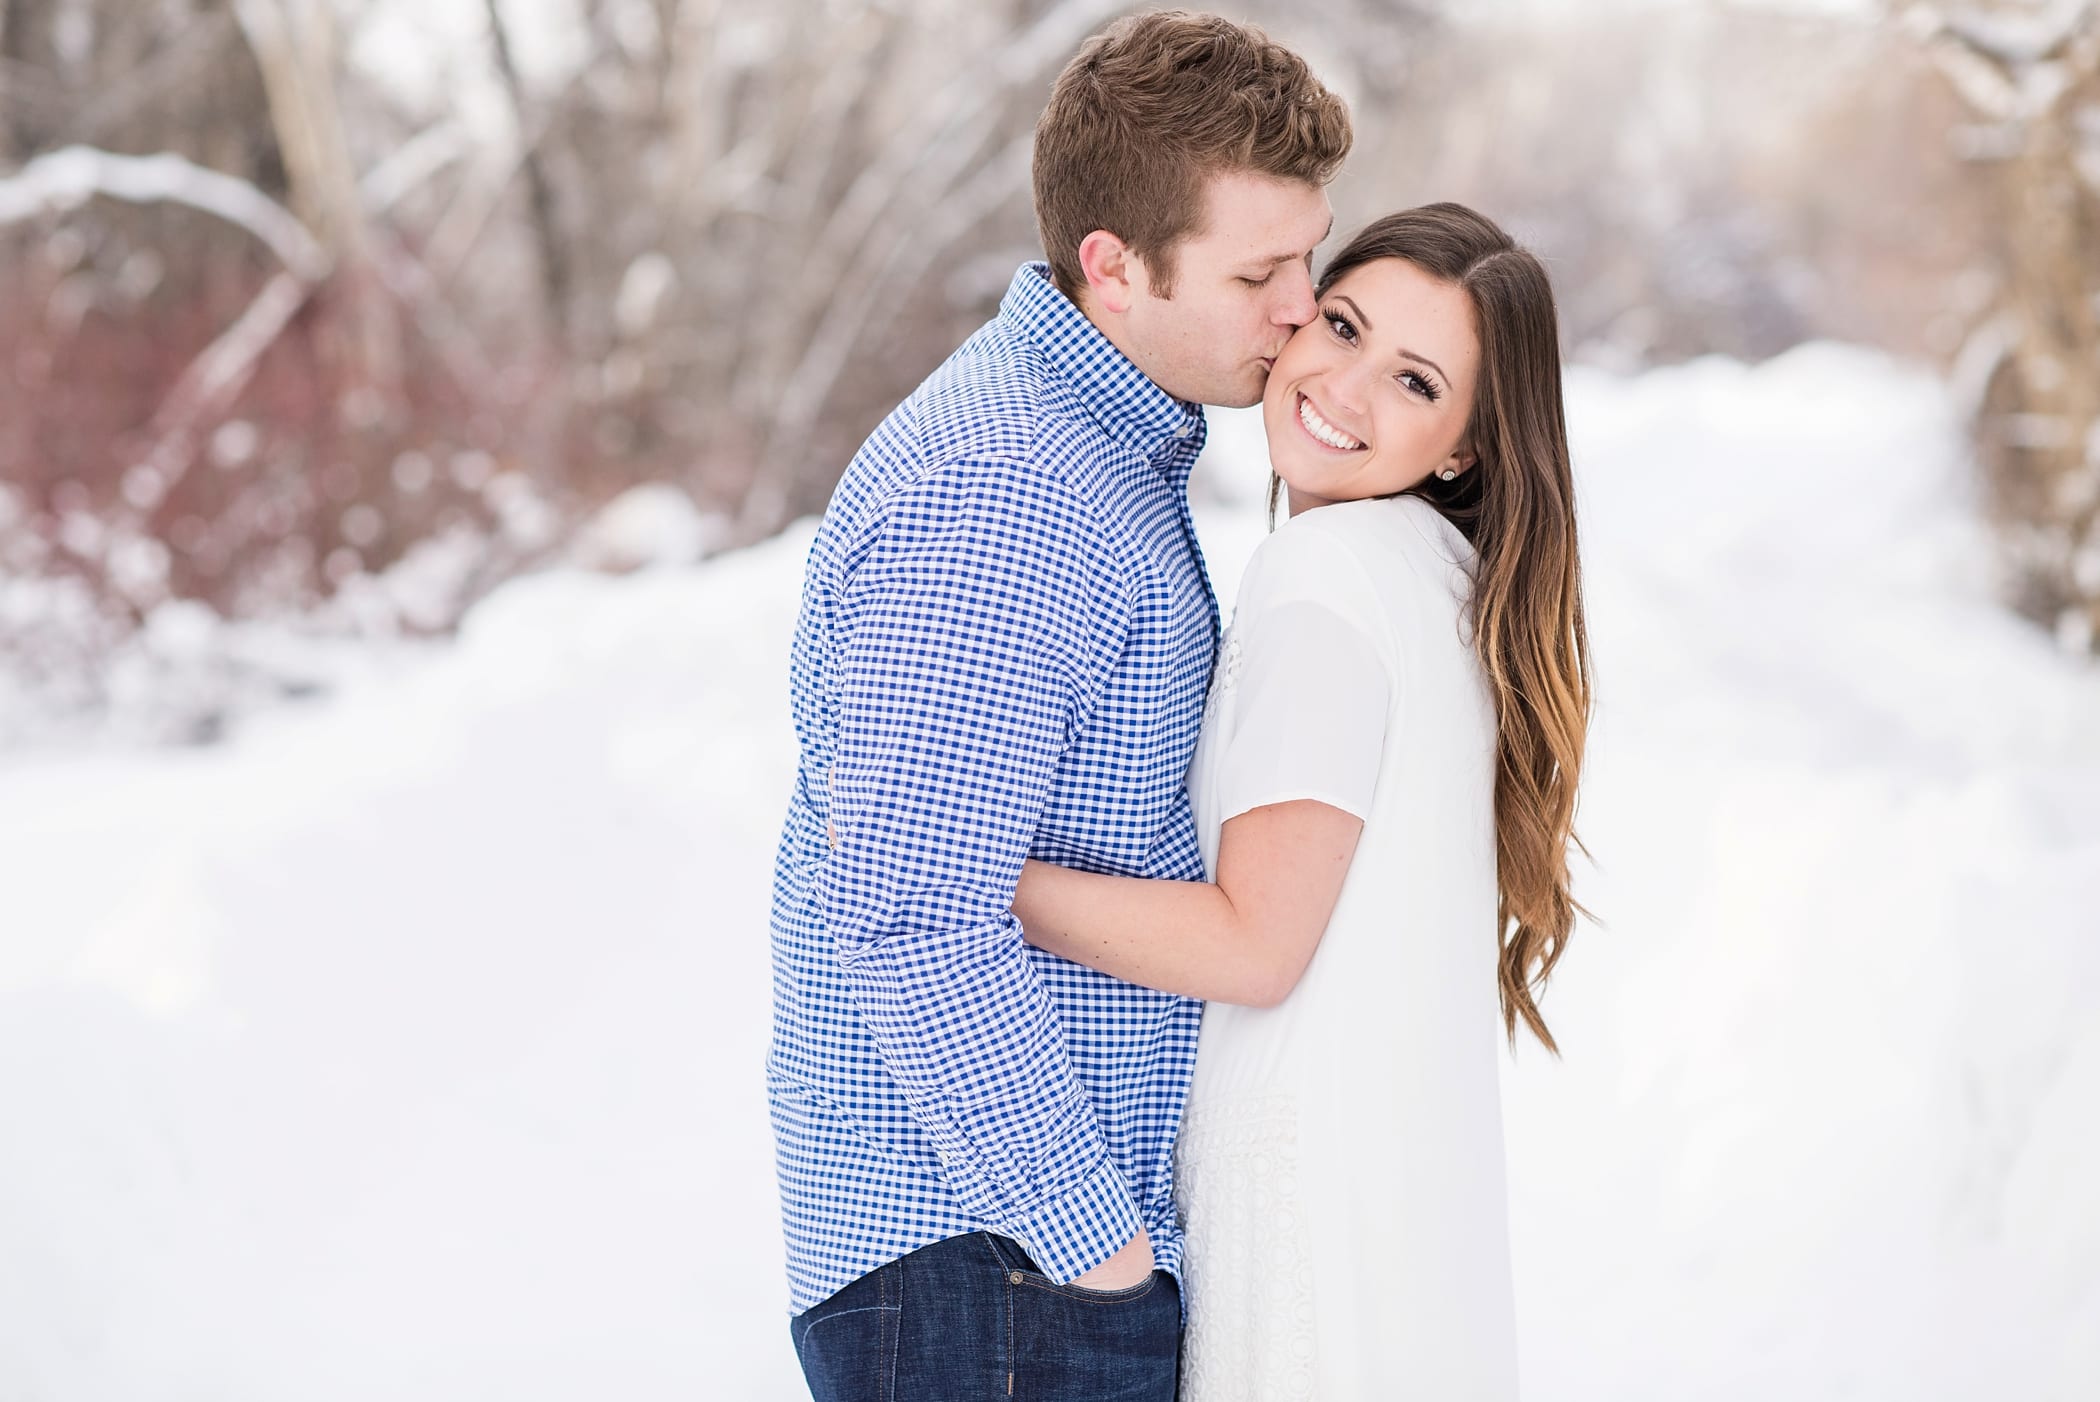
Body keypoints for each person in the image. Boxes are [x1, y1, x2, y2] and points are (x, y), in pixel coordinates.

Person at [765, 12, 1351, 1400]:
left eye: (1310, 256)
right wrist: (1098, 1252)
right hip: (994, 1275)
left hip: (1014, 1273)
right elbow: (910, 910)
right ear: (1114, 268)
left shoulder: (1100, 455)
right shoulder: (1011, 485)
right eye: (1260, 269)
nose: (1300, 306)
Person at [1011, 202, 1594, 1400]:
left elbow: (1256, 943)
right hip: (1397, 1227)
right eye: (1342, 324)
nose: (1345, 385)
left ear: (1464, 448)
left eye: (1416, 381)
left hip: (1301, 1215)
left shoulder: (1326, 578)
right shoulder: (1446, 582)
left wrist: (983, 878)